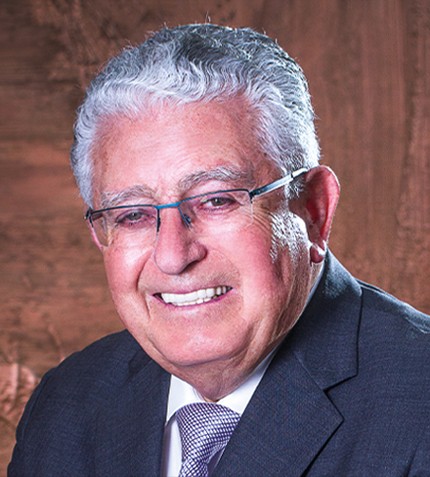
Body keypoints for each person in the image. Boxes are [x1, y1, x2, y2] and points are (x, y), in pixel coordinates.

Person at [8, 23, 430, 476]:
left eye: (216, 201)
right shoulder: (66, 406)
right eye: (132, 215)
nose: (173, 256)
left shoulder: (418, 404)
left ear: (313, 210)